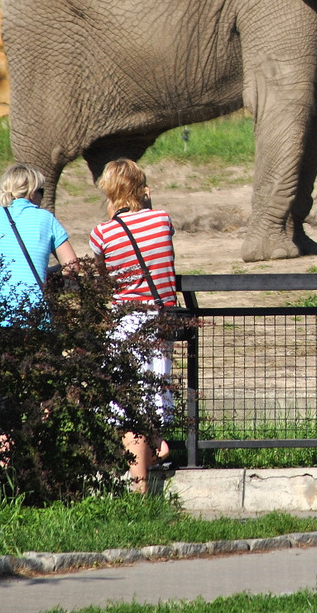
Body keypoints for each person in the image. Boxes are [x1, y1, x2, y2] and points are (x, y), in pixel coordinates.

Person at [89, 158, 179, 492]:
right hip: (161, 319)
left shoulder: (102, 233)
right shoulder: (161, 219)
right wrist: (146, 201)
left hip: (125, 321)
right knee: (152, 394)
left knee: (129, 405)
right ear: (142, 188)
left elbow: (102, 280)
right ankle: (158, 446)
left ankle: (139, 490)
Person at [0, 163, 79, 328]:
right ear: (32, 193)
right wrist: (46, 273)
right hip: (35, 318)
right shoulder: (46, 219)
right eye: (42, 192)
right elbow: (72, 266)